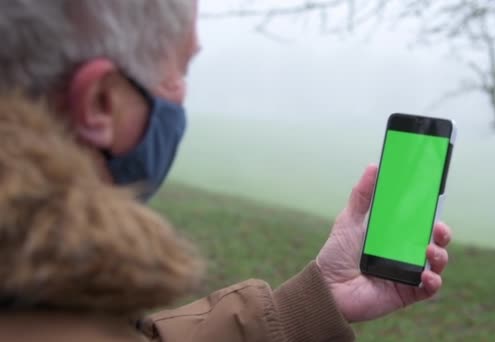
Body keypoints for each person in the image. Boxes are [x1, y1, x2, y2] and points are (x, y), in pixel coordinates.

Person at [0, 1, 452, 341]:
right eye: (178, 70)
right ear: (100, 102)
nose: (182, 96)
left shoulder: (34, 283)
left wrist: (314, 302)